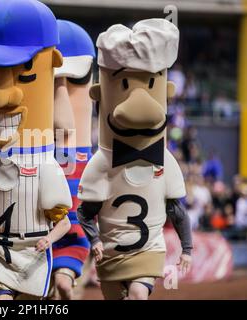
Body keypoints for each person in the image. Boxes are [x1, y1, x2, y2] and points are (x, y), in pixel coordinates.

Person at [77, 19, 193, 300]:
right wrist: (94, 239)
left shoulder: (164, 161)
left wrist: (187, 249)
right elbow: (84, 211)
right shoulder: (102, 163)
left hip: (148, 250)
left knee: (139, 296)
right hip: (111, 253)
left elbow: (176, 210)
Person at [0, 0, 72, 300]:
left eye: (25, 75)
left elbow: (62, 220)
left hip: (34, 257)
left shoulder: (44, 165)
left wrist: (48, 240)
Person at [50, 19, 95, 300]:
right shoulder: (30, 150)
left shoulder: (90, 157)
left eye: (75, 79)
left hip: (73, 230)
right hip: (34, 232)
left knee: (65, 288)